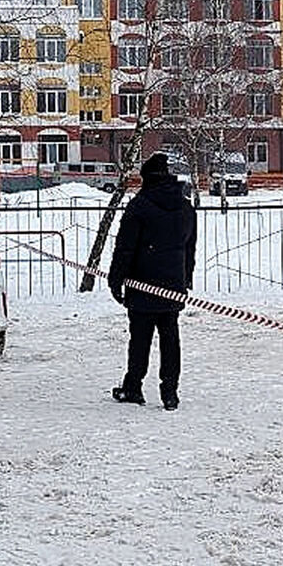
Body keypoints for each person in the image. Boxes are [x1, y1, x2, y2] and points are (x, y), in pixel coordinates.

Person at [109, 152, 198, 410]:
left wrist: (116, 280)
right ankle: (170, 392)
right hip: (173, 286)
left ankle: (133, 387)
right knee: (171, 338)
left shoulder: (139, 206)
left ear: (147, 178)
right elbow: (189, 248)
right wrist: (185, 279)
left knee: (139, 338)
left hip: (142, 285)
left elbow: (125, 248)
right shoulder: (185, 207)